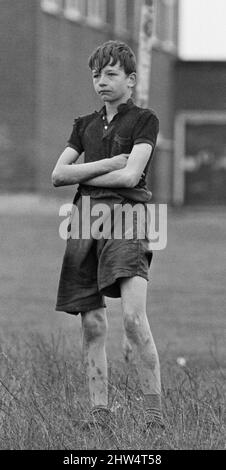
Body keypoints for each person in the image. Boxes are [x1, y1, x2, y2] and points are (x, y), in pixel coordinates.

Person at [52, 40, 163, 432]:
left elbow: (131, 176)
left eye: (111, 74)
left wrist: (87, 171)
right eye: (96, 74)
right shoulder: (82, 125)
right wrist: (108, 163)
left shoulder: (144, 119)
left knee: (134, 318)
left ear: (131, 80)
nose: (101, 81)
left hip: (129, 217)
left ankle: (155, 419)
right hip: (85, 219)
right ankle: (99, 417)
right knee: (93, 324)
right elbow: (57, 175)